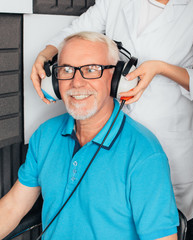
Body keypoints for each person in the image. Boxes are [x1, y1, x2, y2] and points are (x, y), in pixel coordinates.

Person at [31, 0, 193, 220]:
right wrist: (45, 55)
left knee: (159, 222)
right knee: (110, 220)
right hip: (113, 138)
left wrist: (162, 68)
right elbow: (75, 33)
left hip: (167, 140)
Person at [0, 32, 179, 240]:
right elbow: (13, 207)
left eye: (91, 69)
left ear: (115, 79)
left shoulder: (144, 154)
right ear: (55, 81)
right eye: (67, 70)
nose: (77, 83)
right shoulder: (45, 135)